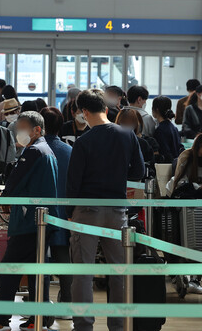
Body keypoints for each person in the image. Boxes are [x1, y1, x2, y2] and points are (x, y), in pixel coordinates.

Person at [67, 89, 145, 331]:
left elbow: (73, 182)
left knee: (83, 272)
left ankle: (83, 325)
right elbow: (138, 173)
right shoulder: (127, 135)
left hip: (86, 210)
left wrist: (69, 213)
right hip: (117, 211)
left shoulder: (84, 141)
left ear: (85, 112)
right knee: (119, 272)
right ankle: (119, 325)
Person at [0, 111, 58, 331]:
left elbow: (14, 182)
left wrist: (5, 200)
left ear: (37, 130)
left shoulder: (33, 151)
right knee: (36, 273)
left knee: (9, 270)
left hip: (27, 221)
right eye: (18, 127)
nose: (19, 132)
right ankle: (38, 317)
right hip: (43, 221)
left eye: (24, 128)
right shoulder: (48, 151)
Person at [39, 107, 73, 307]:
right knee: (64, 260)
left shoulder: (36, 149)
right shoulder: (69, 151)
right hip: (63, 214)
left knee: (39, 260)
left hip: (38, 215)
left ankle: (40, 302)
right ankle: (66, 302)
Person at [152, 95, 183, 163]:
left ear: (156, 109)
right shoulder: (173, 127)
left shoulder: (160, 130)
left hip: (167, 167)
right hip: (176, 164)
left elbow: (165, 153)